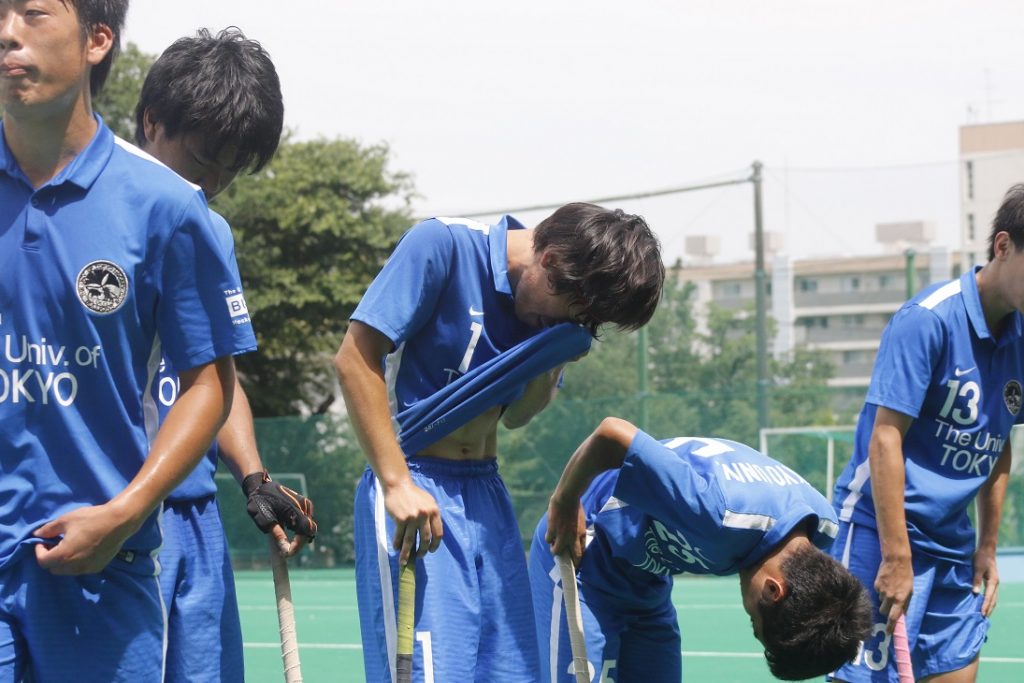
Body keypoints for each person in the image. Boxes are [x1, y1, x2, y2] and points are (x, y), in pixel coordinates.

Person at [0, 2, 253, 681]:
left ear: (97, 40)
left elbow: (210, 381)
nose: (6, 31)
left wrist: (126, 511)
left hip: (103, 572)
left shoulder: (166, 206)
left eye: (32, 13)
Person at [335, 205, 665, 682]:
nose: (575, 324)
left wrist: (549, 359)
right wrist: (396, 483)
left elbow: (517, 418)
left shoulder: (556, 323)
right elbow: (353, 358)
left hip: (487, 493)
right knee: (431, 672)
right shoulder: (442, 245)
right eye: (576, 312)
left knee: (511, 673)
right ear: (550, 261)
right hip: (415, 485)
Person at [133, 28, 318, 682]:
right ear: (152, 120)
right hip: (117, 511)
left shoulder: (211, 230)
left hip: (194, 515)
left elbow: (217, 375)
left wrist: (253, 475)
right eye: (203, 156)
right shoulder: (84, 211)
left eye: (231, 169)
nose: (212, 182)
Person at [830, 185, 1024, 682]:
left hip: (952, 545)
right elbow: (885, 438)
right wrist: (897, 556)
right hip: (879, 531)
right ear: (1003, 246)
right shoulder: (928, 319)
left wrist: (986, 545)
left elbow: (998, 443)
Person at [534, 417, 872, 682]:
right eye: (754, 620)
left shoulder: (822, 527)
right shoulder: (719, 513)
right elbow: (612, 434)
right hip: (585, 560)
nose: (748, 614)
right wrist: (566, 500)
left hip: (646, 584)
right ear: (773, 589)